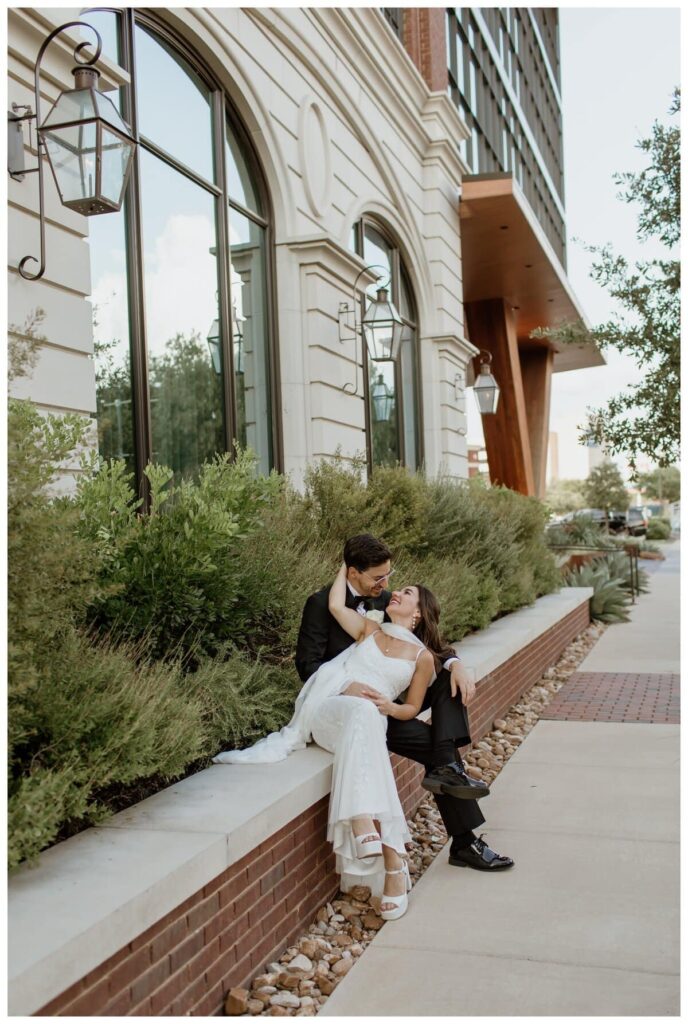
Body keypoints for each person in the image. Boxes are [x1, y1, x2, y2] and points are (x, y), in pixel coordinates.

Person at [215, 562, 448, 919]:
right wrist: (347, 562)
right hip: (328, 710)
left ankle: (380, 845)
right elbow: (336, 605)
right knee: (362, 714)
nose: (395, 592)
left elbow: (413, 708)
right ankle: (388, 854)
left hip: (366, 719)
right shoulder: (370, 630)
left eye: (407, 593)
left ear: (418, 612)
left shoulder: (423, 658)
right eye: (398, 589)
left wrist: (388, 705)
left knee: (368, 714)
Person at [295, 534, 513, 873]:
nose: (386, 585)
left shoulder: (385, 601)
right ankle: (464, 831)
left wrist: (456, 664)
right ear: (353, 573)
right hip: (347, 704)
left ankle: (451, 785)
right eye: (378, 578)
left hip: (388, 706)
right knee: (439, 752)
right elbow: (306, 666)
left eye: (389, 576)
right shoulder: (322, 604)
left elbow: (430, 642)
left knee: (444, 682)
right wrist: (346, 685)